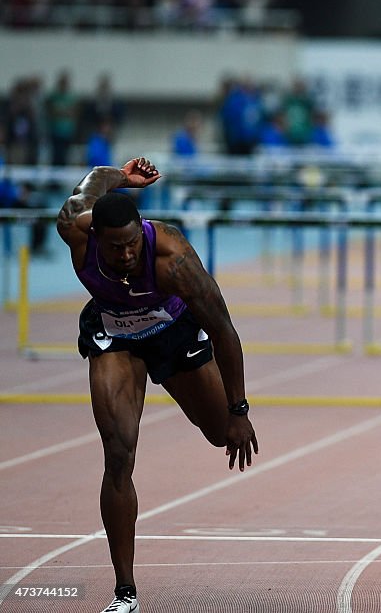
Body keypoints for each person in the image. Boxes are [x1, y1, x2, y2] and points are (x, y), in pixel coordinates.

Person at [56, 158, 258, 613]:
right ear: (95, 239)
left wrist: (240, 410)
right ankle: (125, 591)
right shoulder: (74, 227)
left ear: (141, 232)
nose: (125, 256)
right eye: (114, 249)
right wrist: (121, 177)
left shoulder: (174, 259)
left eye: (131, 246)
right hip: (115, 337)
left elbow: (225, 330)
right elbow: (91, 184)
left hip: (173, 330)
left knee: (220, 432)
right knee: (118, 453)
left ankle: (225, 418)